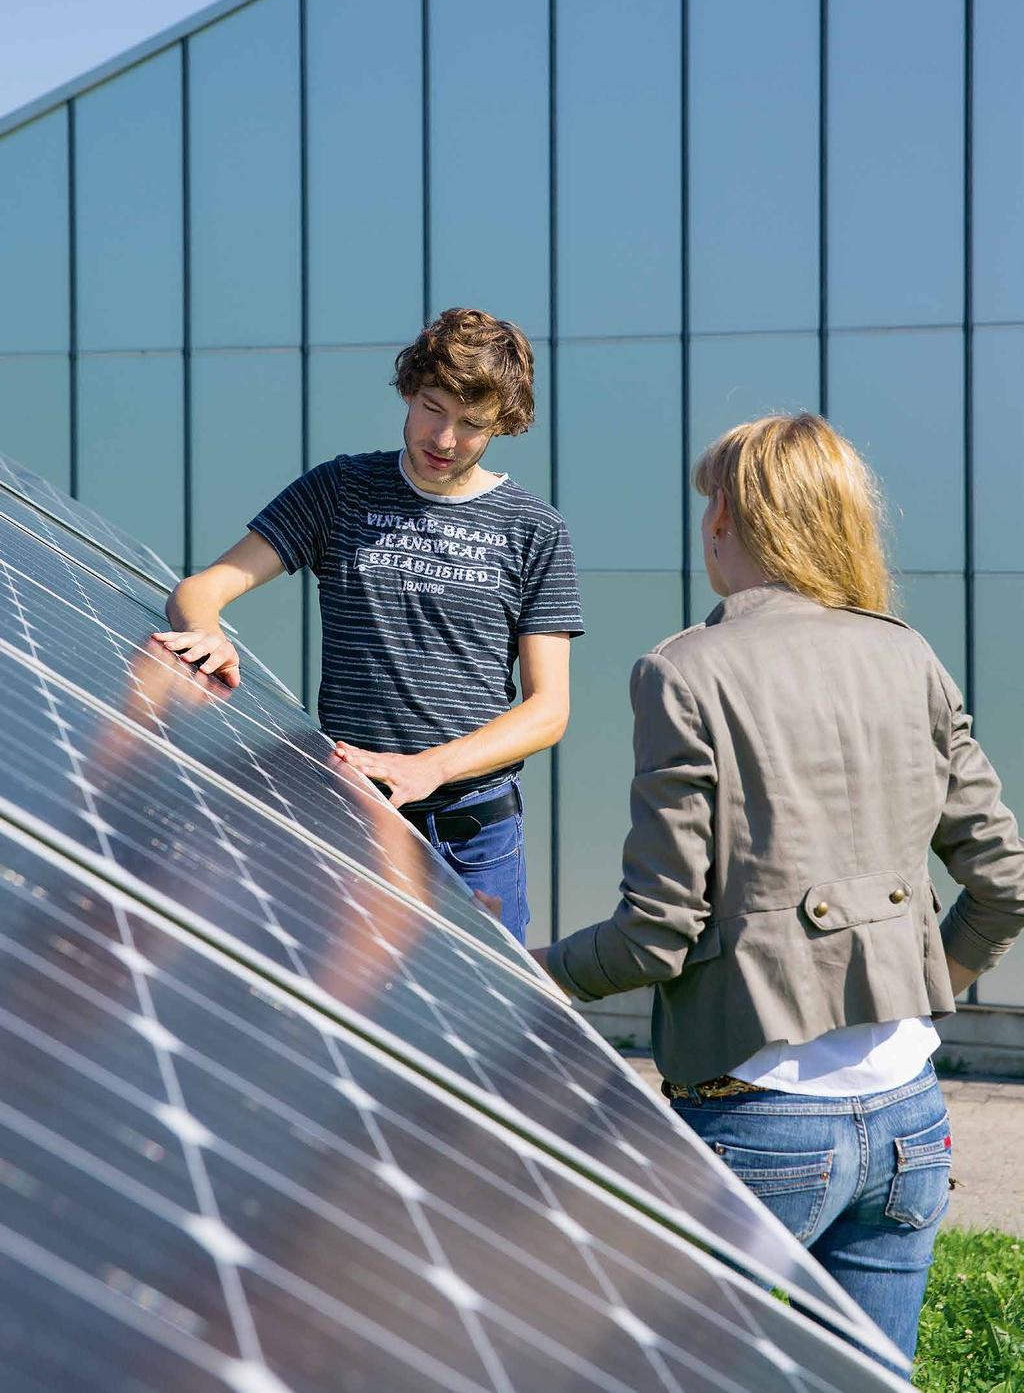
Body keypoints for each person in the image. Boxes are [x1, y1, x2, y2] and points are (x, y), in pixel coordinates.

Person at [533, 413, 1024, 1370]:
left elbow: (655, 937)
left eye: (710, 501)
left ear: (735, 518)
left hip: (751, 1112)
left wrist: (527, 970)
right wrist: (928, 989)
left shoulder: (682, 673)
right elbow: (1004, 882)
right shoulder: (907, 653)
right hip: (910, 1116)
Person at [154, 308, 584, 944]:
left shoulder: (534, 529)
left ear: (503, 425)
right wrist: (207, 629)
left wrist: (430, 768)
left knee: (475, 1030)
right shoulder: (342, 488)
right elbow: (202, 588)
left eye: (472, 425)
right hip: (354, 812)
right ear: (409, 391)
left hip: (476, 831)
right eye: (433, 408)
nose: (444, 438)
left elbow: (549, 711)